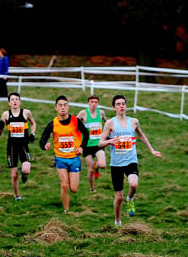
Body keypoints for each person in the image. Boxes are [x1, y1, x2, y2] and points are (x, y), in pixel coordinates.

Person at [98, 95, 162, 225]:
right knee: (118, 197)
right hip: (116, 164)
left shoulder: (134, 122)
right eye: (118, 104)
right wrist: (110, 141)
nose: (121, 106)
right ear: (113, 107)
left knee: (133, 185)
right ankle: (117, 221)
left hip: (131, 160)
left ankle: (130, 199)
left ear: (126, 106)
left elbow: (141, 135)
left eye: (123, 103)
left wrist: (152, 150)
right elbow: (100, 143)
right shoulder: (110, 123)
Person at [38, 95, 89, 213]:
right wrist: (44, 146)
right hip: (60, 158)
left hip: (74, 158)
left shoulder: (76, 121)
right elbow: (42, 139)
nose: (63, 108)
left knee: (74, 189)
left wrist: (81, 147)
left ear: (68, 107)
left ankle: (71, 179)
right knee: (64, 185)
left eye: (65, 105)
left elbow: (86, 134)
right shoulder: (53, 124)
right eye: (60, 105)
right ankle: (67, 211)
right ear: (56, 108)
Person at [0, 92, 37, 201]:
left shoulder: (26, 113)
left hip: (23, 146)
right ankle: (17, 196)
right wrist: (0, 129)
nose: (14, 101)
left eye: (16, 99)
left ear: (20, 101)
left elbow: (33, 123)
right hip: (12, 147)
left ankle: (24, 174)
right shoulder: (5, 114)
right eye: (12, 100)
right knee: (14, 175)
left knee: (26, 170)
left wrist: (33, 133)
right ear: (9, 103)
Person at [76, 95, 108, 192]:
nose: (93, 104)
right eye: (91, 102)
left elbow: (107, 123)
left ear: (98, 103)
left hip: (98, 144)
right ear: (88, 103)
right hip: (87, 145)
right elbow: (74, 123)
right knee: (90, 170)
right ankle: (92, 189)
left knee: (102, 165)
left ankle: (97, 167)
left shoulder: (101, 113)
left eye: (95, 102)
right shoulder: (83, 113)